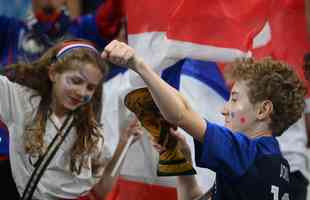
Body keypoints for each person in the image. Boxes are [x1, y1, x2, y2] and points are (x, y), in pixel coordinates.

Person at [102, 40, 307, 200]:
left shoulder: (247, 155)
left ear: (263, 110)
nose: (224, 109)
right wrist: (182, 165)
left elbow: (180, 114)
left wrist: (139, 65)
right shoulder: (275, 165)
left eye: (234, 99)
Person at [0, 38, 143, 200]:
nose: (82, 92)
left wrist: (124, 144)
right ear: (53, 73)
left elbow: (101, 192)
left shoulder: (91, 133)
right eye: (76, 81)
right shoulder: (21, 101)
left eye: (90, 87)